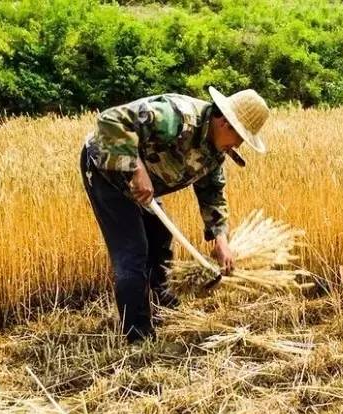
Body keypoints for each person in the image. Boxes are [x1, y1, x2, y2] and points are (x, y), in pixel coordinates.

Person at [79, 86, 270, 342]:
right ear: (226, 123)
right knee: (133, 253)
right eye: (240, 138)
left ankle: (163, 305)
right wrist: (135, 168)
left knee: (160, 241)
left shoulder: (215, 152)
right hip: (107, 171)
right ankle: (139, 337)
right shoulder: (177, 117)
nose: (238, 145)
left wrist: (220, 238)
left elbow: (212, 191)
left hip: (147, 179)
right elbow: (110, 120)